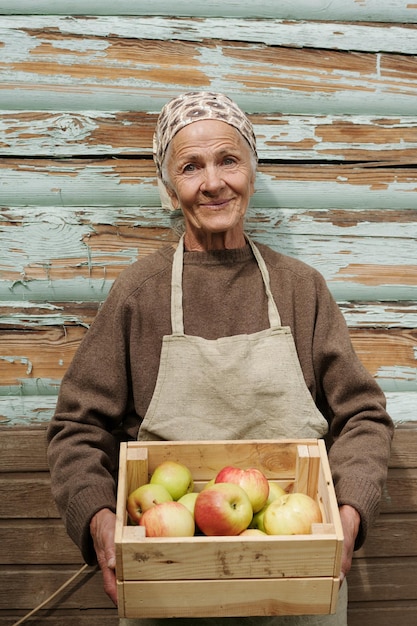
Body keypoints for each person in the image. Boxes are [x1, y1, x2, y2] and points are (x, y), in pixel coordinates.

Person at [47, 91, 394, 626]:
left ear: (251, 169)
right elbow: (76, 426)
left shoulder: (301, 289)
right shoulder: (139, 293)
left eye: (228, 160)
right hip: (169, 579)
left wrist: (348, 513)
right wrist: (96, 517)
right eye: (190, 167)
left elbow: (364, 416)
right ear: (168, 188)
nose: (213, 182)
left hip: (295, 575)